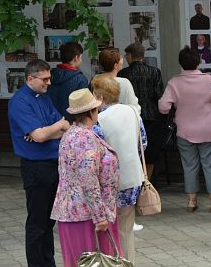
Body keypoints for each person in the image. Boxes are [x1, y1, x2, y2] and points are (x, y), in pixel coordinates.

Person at [8, 59, 70, 267]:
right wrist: (52, 129)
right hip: (36, 167)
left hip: (53, 164)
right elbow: (41, 135)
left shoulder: (44, 98)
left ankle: (48, 263)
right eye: (44, 79)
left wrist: (48, 130)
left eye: (49, 78)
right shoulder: (19, 101)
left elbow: (62, 128)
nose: (49, 83)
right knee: (37, 223)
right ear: (30, 79)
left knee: (49, 222)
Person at [51, 89, 120, 267]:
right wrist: (100, 217)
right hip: (87, 216)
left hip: (74, 212)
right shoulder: (85, 138)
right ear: (91, 112)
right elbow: (88, 179)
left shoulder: (70, 134)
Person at [159, 46, 211, 213]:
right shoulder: (210, 80)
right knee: (210, 165)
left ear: (180, 63)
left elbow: (163, 107)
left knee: (189, 166)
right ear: (199, 61)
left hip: (185, 131)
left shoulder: (174, 82)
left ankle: (191, 201)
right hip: (209, 129)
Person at [92, 76, 143, 263]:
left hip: (109, 182)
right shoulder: (132, 111)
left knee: (108, 229)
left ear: (99, 96)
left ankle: (112, 262)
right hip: (133, 176)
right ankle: (128, 262)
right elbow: (143, 142)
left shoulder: (99, 120)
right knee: (126, 228)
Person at [119, 42, 164, 180]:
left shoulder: (123, 74)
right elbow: (159, 95)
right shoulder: (155, 72)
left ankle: (136, 181)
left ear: (130, 56)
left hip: (130, 117)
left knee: (132, 151)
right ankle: (147, 181)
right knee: (150, 154)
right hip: (152, 117)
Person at [48, 41, 89, 122]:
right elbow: (82, 107)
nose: (81, 60)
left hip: (51, 122)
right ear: (76, 58)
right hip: (71, 123)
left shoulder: (49, 75)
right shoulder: (81, 79)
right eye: (81, 57)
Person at [98, 48, 140, 113]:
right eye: (120, 58)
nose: (122, 59)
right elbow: (134, 107)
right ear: (115, 65)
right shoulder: (124, 82)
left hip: (101, 117)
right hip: (121, 117)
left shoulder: (95, 81)